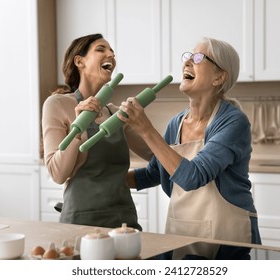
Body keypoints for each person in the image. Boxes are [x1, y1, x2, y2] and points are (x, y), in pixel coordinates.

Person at [119, 37, 261, 253]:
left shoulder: (233, 122)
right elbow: (154, 173)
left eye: (198, 58)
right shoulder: (176, 123)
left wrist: (144, 128)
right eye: (187, 56)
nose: (187, 62)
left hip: (227, 237)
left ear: (219, 77)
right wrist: (102, 179)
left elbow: (192, 177)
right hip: (181, 230)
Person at [42, 34, 152, 230]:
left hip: (124, 221)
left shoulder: (116, 113)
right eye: (101, 49)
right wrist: (79, 125)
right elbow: (57, 174)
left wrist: (143, 123)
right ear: (79, 61)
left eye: (112, 52)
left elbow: (156, 154)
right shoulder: (57, 104)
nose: (110, 54)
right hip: (81, 223)